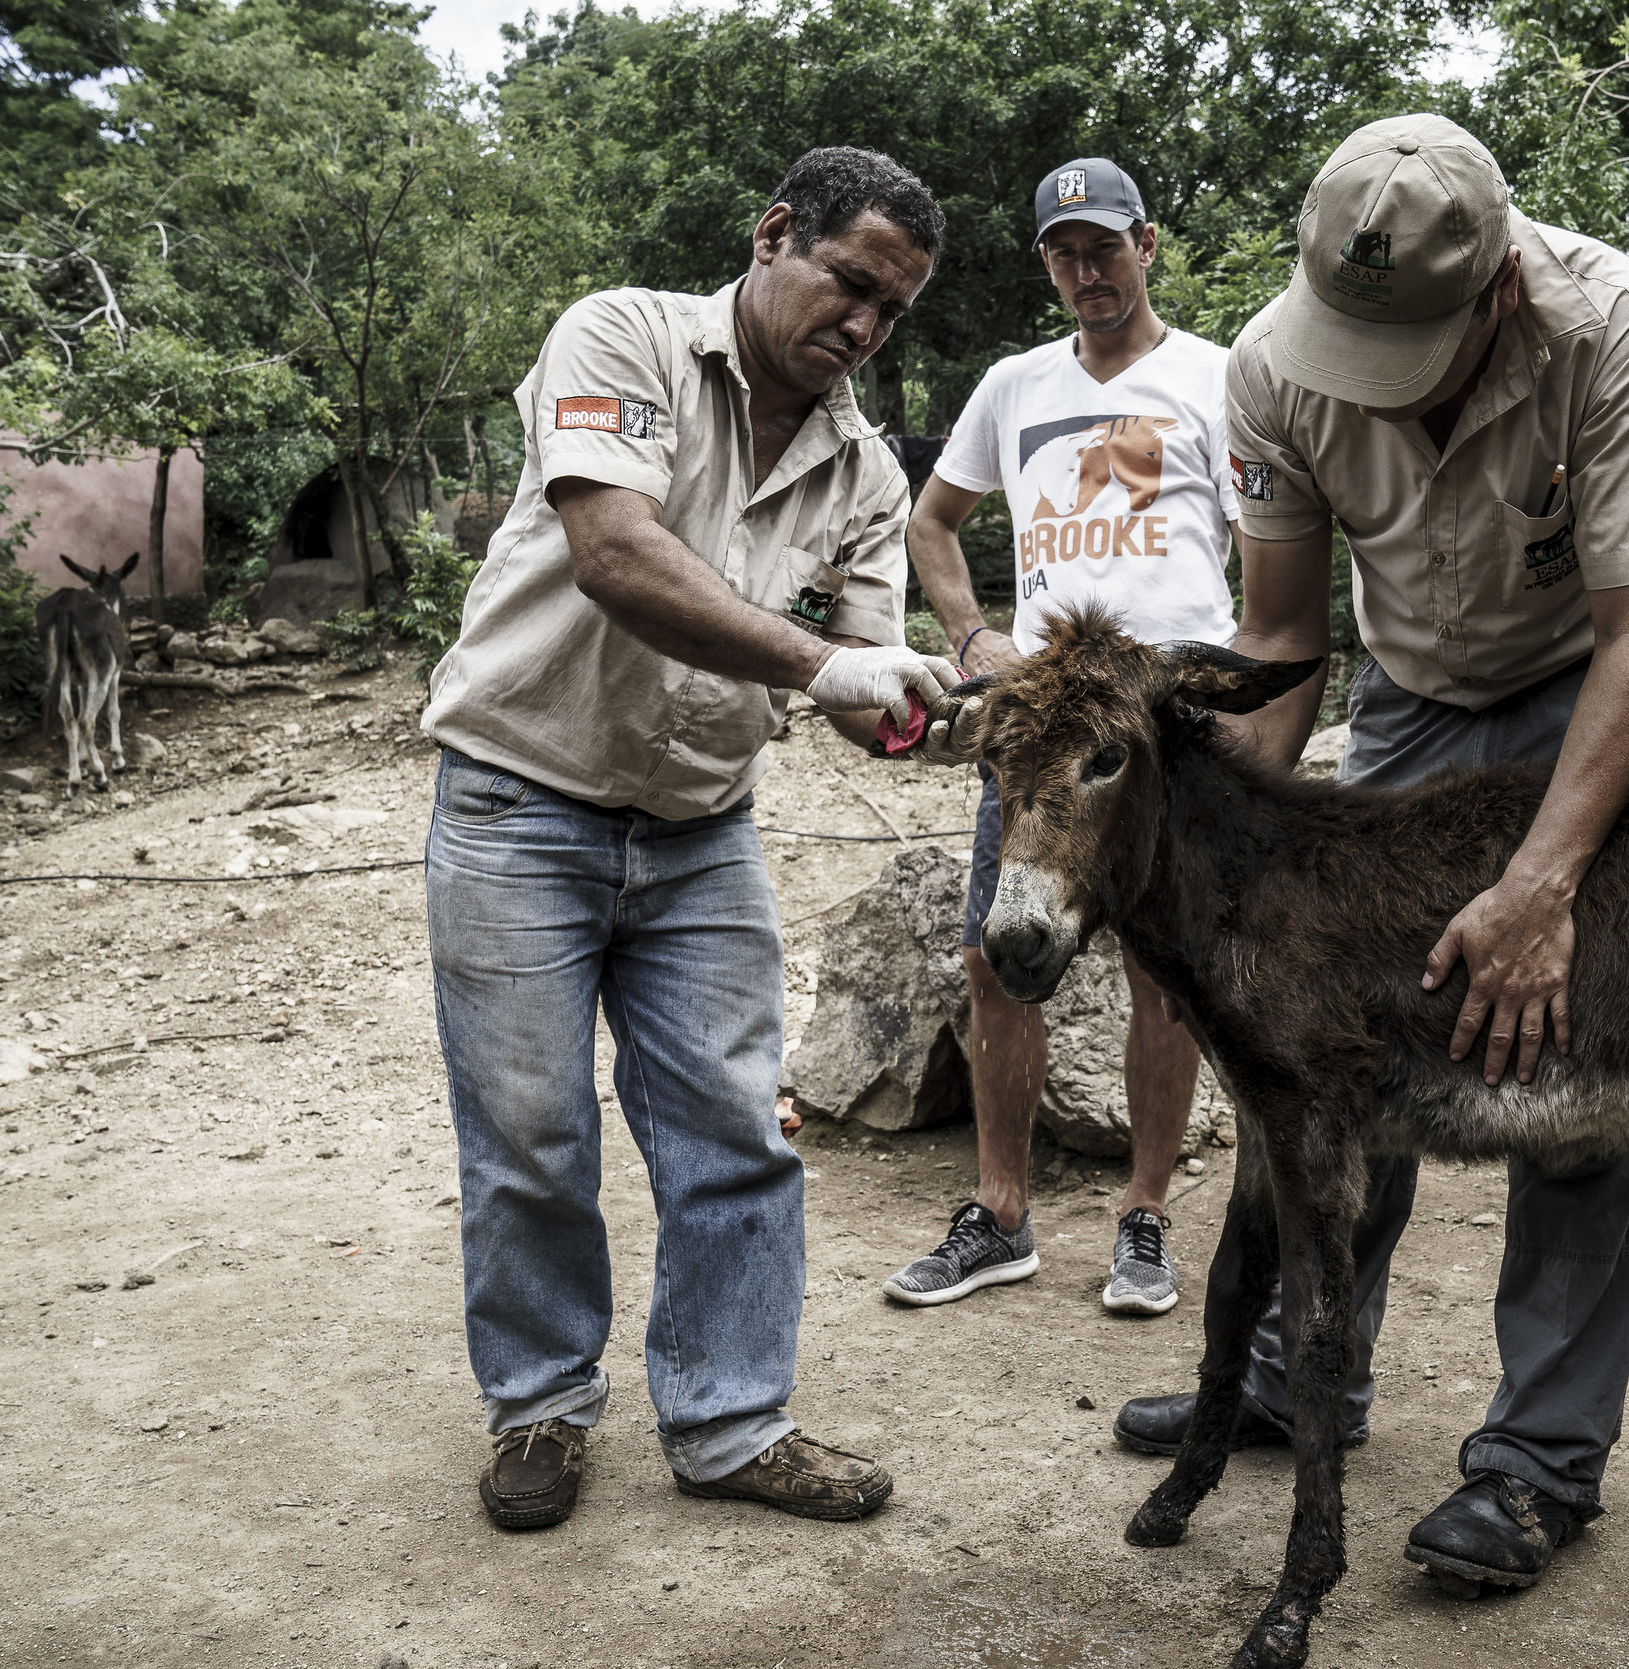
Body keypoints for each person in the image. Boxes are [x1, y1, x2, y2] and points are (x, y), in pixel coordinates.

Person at [1109, 113, 1629, 1600]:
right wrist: (1219, 904)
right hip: (1412, 695)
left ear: (1500, 287)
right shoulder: (1273, 367)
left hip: (1595, 692)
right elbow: (1284, 639)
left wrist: (1543, 883)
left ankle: (1534, 1464)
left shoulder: (1617, 329)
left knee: (1568, 1070)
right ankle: (1293, 1370)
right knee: (1317, 1050)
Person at [418, 147, 961, 1532]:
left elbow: (861, 669)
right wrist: (820, 668)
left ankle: (729, 1419)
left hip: (701, 831)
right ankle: (541, 1403)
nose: (862, 324)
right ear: (776, 235)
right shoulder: (624, 335)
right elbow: (615, 552)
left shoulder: (867, 471)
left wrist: (920, 711)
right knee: (531, 1134)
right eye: (849, 283)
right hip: (518, 801)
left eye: (890, 311)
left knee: (737, 1134)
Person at [891, 156, 1236, 1316]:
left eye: (1103, 246)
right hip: (1040, 723)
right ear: (1045, 262)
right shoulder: (1013, 386)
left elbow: (1278, 530)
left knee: (1163, 970)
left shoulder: (1219, 377)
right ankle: (998, 1214)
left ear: (1147, 241)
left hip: (1166, 719)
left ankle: (1144, 1215)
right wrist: (972, 638)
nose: (1085, 271)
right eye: (1062, 253)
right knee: (1000, 954)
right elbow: (932, 522)